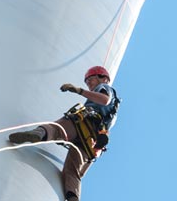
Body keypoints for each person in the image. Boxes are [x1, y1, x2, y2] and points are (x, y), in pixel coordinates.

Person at [8, 66, 120, 201]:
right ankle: (73, 197)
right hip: (91, 142)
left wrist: (79, 90)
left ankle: (37, 134)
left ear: (103, 78)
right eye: (86, 82)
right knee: (72, 172)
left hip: (84, 123)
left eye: (91, 79)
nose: (88, 83)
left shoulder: (105, 88)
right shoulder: (113, 110)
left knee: (57, 128)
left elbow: (104, 100)